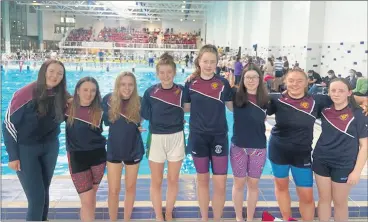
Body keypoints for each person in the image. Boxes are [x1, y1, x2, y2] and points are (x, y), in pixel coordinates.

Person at [267, 68, 368, 221]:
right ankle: (286, 218)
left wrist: (365, 102)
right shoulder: (275, 99)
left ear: (307, 82)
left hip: (303, 155)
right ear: (285, 82)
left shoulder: (317, 100)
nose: (295, 84)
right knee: (282, 187)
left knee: (307, 196)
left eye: (300, 81)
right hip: (278, 150)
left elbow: (347, 97)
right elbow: (248, 102)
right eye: (291, 80)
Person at [2, 60, 69, 221]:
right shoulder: (25, 93)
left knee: (44, 192)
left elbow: (75, 115)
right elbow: (8, 123)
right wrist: (13, 156)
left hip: (50, 148)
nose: (55, 76)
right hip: (26, 150)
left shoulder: (62, 95)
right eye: (51, 71)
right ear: (43, 71)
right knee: (37, 198)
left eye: (59, 73)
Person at [183, 44, 233, 221]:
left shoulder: (223, 83)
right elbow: (185, 109)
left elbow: (233, 108)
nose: (209, 65)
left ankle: (217, 218)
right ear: (199, 61)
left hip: (219, 137)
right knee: (202, 181)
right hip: (198, 137)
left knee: (220, 184)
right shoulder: (190, 83)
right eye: (205, 61)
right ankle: (205, 218)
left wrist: (238, 90)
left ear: (217, 63)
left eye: (212, 61)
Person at [312, 78, 368, 221]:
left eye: (341, 91)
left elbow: (364, 146)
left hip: (344, 164)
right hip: (321, 160)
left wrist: (357, 172)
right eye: (333, 90)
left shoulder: (359, 114)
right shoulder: (324, 109)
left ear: (349, 92)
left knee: (340, 202)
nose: (336, 94)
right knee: (324, 199)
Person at [141, 53, 185, 221]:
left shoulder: (182, 91)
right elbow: (143, 115)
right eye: (162, 72)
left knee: (173, 179)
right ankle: (159, 214)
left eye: (169, 72)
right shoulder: (150, 92)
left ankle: (168, 212)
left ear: (174, 72)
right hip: (156, 139)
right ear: (157, 73)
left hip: (177, 138)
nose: (166, 76)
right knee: (157, 180)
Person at [227, 64, 269, 221]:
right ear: (242, 79)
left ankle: (250, 218)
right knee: (238, 184)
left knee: (253, 185)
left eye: (254, 77)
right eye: (248, 77)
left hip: (258, 147)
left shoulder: (266, 100)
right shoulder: (235, 95)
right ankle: (239, 217)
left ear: (260, 79)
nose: (251, 80)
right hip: (239, 147)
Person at [102, 72, 145, 221]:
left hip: (134, 149)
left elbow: (155, 115)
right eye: (123, 84)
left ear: (134, 86)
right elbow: (101, 121)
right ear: (117, 85)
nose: (127, 88)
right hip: (114, 149)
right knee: (113, 190)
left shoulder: (140, 101)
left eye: (130, 84)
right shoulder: (108, 100)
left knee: (130, 188)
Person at [65, 77, 106, 221]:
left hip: (99, 158)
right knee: (87, 201)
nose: (89, 94)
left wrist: (136, 125)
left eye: (93, 90)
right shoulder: (68, 108)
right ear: (77, 91)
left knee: (90, 199)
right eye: (85, 90)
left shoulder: (100, 110)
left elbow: (119, 119)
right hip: (78, 159)